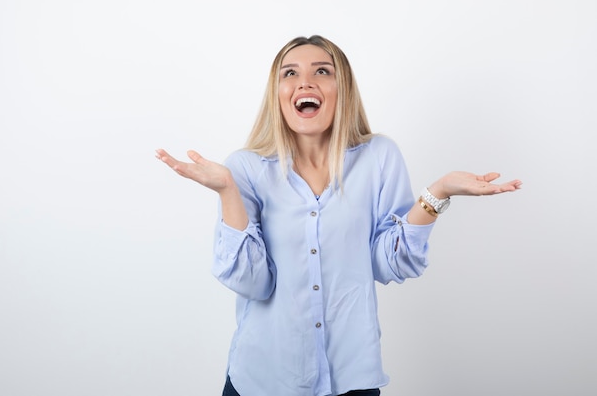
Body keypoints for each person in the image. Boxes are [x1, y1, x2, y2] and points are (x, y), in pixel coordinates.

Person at [155, 35, 522, 396]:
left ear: (341, 88)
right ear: (277, 93)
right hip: (262, 380)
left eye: (322, 71)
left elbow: (390, 263)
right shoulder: (246, 168)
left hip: (351, 380)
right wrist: (227, 191)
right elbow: (254, 283)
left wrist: (437, 193)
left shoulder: (379, 156)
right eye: (290, 74)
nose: (305, 82)